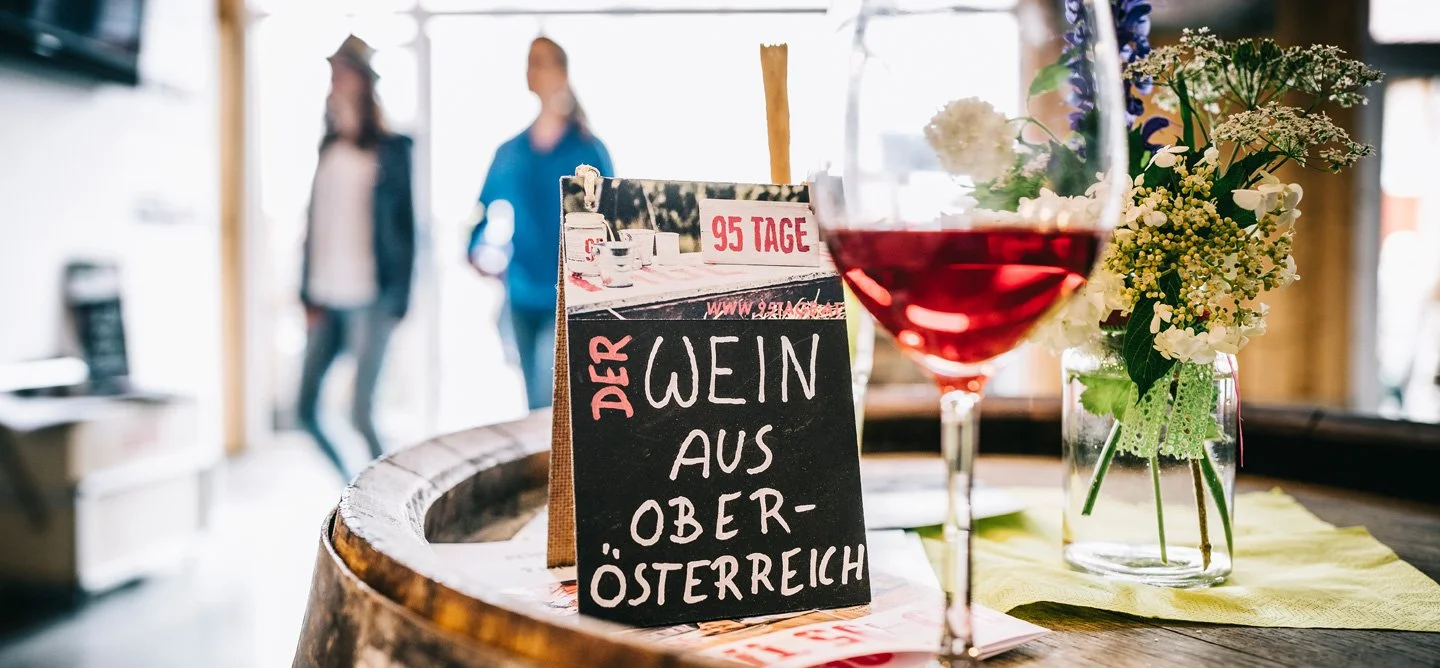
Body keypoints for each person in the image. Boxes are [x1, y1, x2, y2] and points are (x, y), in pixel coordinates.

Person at [469, 37, 613, 411]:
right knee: (534, 402)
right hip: (520, 292)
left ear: (563, 72)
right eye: (531, 62)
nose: (536, 70)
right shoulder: (510, 152)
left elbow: (611, 219)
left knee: (551, 397)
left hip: (568, 297)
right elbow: (480, 211)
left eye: (545, 62)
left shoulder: (588, 151)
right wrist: (475, 253)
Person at [297, 35, 416, 480]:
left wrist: (401, 300)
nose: (336, 82)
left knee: (361, 413)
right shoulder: (327, 148)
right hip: (325, 296)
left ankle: (389, 498)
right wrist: (304, 291)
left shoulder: (393, 149)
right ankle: (351, 493)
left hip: (373, 295)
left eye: (344, 73)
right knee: (304, 408)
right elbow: (314, 227)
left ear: (364, 81)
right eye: (333, 74)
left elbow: (406, 229)